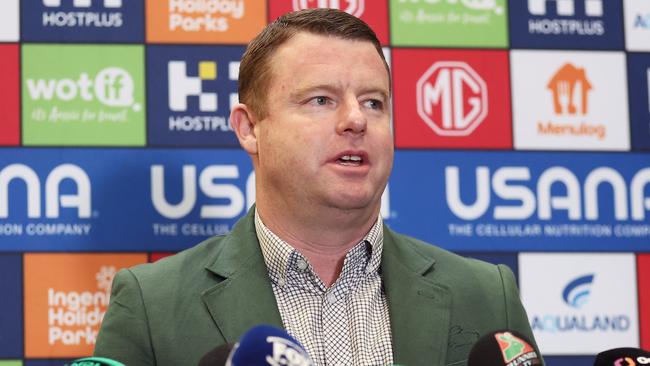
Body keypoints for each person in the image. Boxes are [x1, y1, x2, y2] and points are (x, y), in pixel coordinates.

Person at [94, 8, 540, 366]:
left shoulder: (486, 294)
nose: (356, 119)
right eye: (321, 100)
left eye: (373, 102)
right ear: (249, 128)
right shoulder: (152, 304)